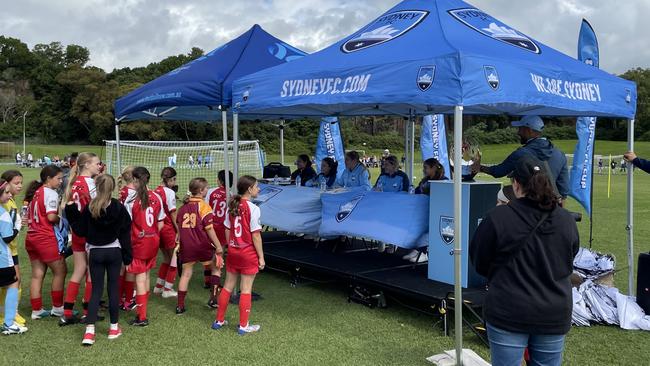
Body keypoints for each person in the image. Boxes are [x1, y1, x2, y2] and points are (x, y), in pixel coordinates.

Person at [470, 156, 579, 366]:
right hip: (553, 310)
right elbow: (569, 258)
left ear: (516, 185)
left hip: (508, 310)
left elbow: (479, 261)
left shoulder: (497, 217)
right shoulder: (566, 219)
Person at [65, 174, 132, 346]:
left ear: (97, 187)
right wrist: (127, 256)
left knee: (96, 291)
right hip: (114, 252)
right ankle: (113, 328)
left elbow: (79, 230)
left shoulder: (91, 207)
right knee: (113, 289)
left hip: (95, 253)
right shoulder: (118, 207)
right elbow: (125, 233)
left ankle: (89, 332)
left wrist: (71, 211)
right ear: (112, 188)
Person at [212, 175, 264, 335]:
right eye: (256, 186)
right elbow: (255, 235)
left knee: (228, 286)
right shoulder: (253, 208)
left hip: (234, 251)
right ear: (249, 189)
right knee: (246, 289)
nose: (259, 189)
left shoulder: (233, 205)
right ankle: (243, 325)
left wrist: (232, 245)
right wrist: (261, 257)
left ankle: (219, 320)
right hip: (247, 253)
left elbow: (228, 229)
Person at [478, 116, 569, 202]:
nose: (518, 133)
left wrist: (479, 167)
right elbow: (563, 192)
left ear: (528, 130)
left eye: (520, 129)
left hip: (528, 208)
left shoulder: (521, 153)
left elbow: (498, 171)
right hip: (551, 209)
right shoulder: (560, 154)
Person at [59, 152, 101, 325]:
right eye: (97, 163)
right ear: (86, 165)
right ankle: (87, 311)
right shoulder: (91, 184)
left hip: (76, 233)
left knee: (78, 271)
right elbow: (96, 209)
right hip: (90, 233)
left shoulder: (73, 183)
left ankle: (67, 312)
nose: (100, 166)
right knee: (91, 272)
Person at [123, 167, 165, 326]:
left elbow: (126, 226)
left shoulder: (131, 200)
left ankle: (141, 316)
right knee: (146, 275)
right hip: (153, 240)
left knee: (140, 279)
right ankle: (143, 309)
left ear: (134, 180)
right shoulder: (157, 197)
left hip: (139, 243)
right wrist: (151, 233)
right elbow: (160, 223)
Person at [175, 178, 224, 314]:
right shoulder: (204, 206)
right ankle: (213, 299)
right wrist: (219, 246)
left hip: (187, 246)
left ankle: (180, 306)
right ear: (201, 191)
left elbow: (179, 228)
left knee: (186, 275)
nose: (207, 190)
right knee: (216, 268)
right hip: (202, 245)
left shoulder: (182, 208)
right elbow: (209, 229)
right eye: (206, 188)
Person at [24, 165, 66, 320]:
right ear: (48, 179)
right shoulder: (51, 193)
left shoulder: (36, 192)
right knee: (60, 271)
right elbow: (50, 217)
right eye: (58, 178)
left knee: (37, 274)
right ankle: (58, 308)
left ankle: (36, 310)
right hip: (45, 237)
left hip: (32, 237)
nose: (61, 181)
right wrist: (61, 219)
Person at [0, 178, 26, 335]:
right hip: (2, 259)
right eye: (6, 193)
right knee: (13, 284)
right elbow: (7, 238)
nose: (9, 196)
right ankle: (9, 322)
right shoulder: (3, 214)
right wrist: (17, 226)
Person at [152, 167, 180, 298]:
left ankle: (159, 286)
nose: (175, 182)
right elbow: (173, 214)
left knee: (166, 258)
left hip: (158, 228)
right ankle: (167, 289)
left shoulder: (154, 191)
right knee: (174, 258)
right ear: (170, 179)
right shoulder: (169, 192)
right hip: (168, 228)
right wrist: (179, 230)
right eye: (174, 180)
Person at [206, 169, 233, 289]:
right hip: (222, 228)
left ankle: (208, 280)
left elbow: (206, 209)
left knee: (209, 253)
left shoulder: (211, 192)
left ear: (221, 180)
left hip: (211, 226)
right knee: (219, 253)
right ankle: (215, 281)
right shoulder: (231, 195)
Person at [118, 166, 136, 310]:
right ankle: (128, 299)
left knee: (121, 267)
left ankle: (120, 297)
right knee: (129, 266)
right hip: (130, 231)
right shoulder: (133, 193)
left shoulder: (122, 191)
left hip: (120, 231)